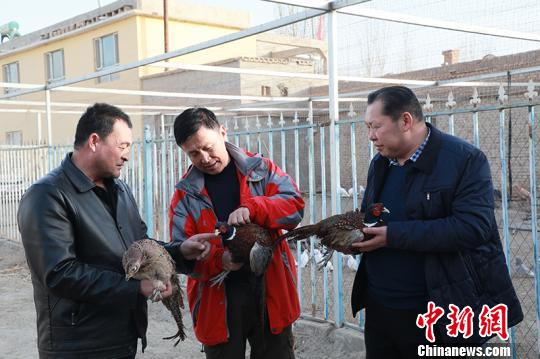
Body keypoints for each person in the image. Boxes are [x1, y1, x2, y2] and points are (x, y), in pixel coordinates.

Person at [17, 103, 212, 359]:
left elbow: (140, 245)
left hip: (122, 335)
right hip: (79, 346)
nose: (127, 155)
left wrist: (179, 251)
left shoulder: (120, 190)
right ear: (94, 141)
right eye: (123, 146)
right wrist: (136, 288)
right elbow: (60, 273)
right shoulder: (47, 196)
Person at [350, 86, 523, 358]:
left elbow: (473, 227)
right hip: (381, 310)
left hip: (437, 313)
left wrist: (393, 235)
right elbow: (373, 217)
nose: (371, 136)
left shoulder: (464, 160)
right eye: (368, 127)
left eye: (376, 127)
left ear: (405, 121)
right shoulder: (381, 163)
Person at [169, 107, 304, 359]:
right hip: (218, 298)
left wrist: (254, 207)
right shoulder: (184, 196)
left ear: (222, 132)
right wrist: (219, 261)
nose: (204, 158)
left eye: (208, 147)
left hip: (270, 287)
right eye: (194, 154)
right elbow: (179, 254)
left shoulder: (261, 170)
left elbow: (295, 208)